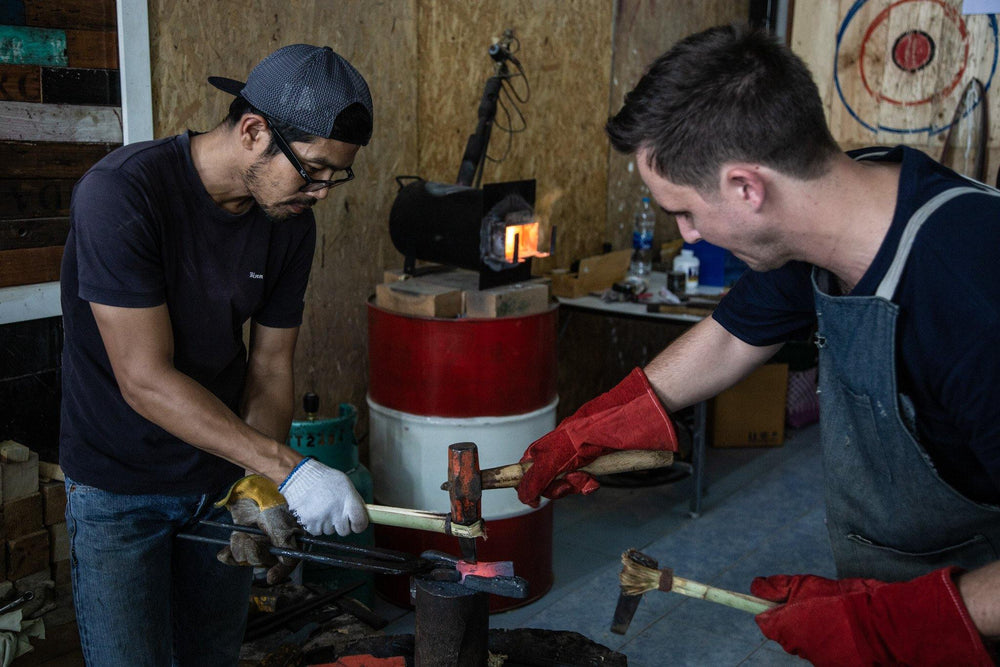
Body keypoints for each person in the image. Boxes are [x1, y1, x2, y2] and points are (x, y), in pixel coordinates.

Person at [518, 24, 1000, 665]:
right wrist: (607, 424)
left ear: (747, 187)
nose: (688, 236)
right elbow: (730, 337)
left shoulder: (972, 295)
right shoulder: (841, 209)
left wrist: (900, 620)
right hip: (912, 585)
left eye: (684, 211)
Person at [59, 44, 373, 665]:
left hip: (219, 479)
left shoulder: (289, 221)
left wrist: (257, 485)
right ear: (254, 131)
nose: (322, 193)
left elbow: (270, 365)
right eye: (312, 170)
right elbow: (144, 379)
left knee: (213, 657)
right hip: (119, 488)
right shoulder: (122, 194)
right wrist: (289, 467)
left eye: (337, 176)